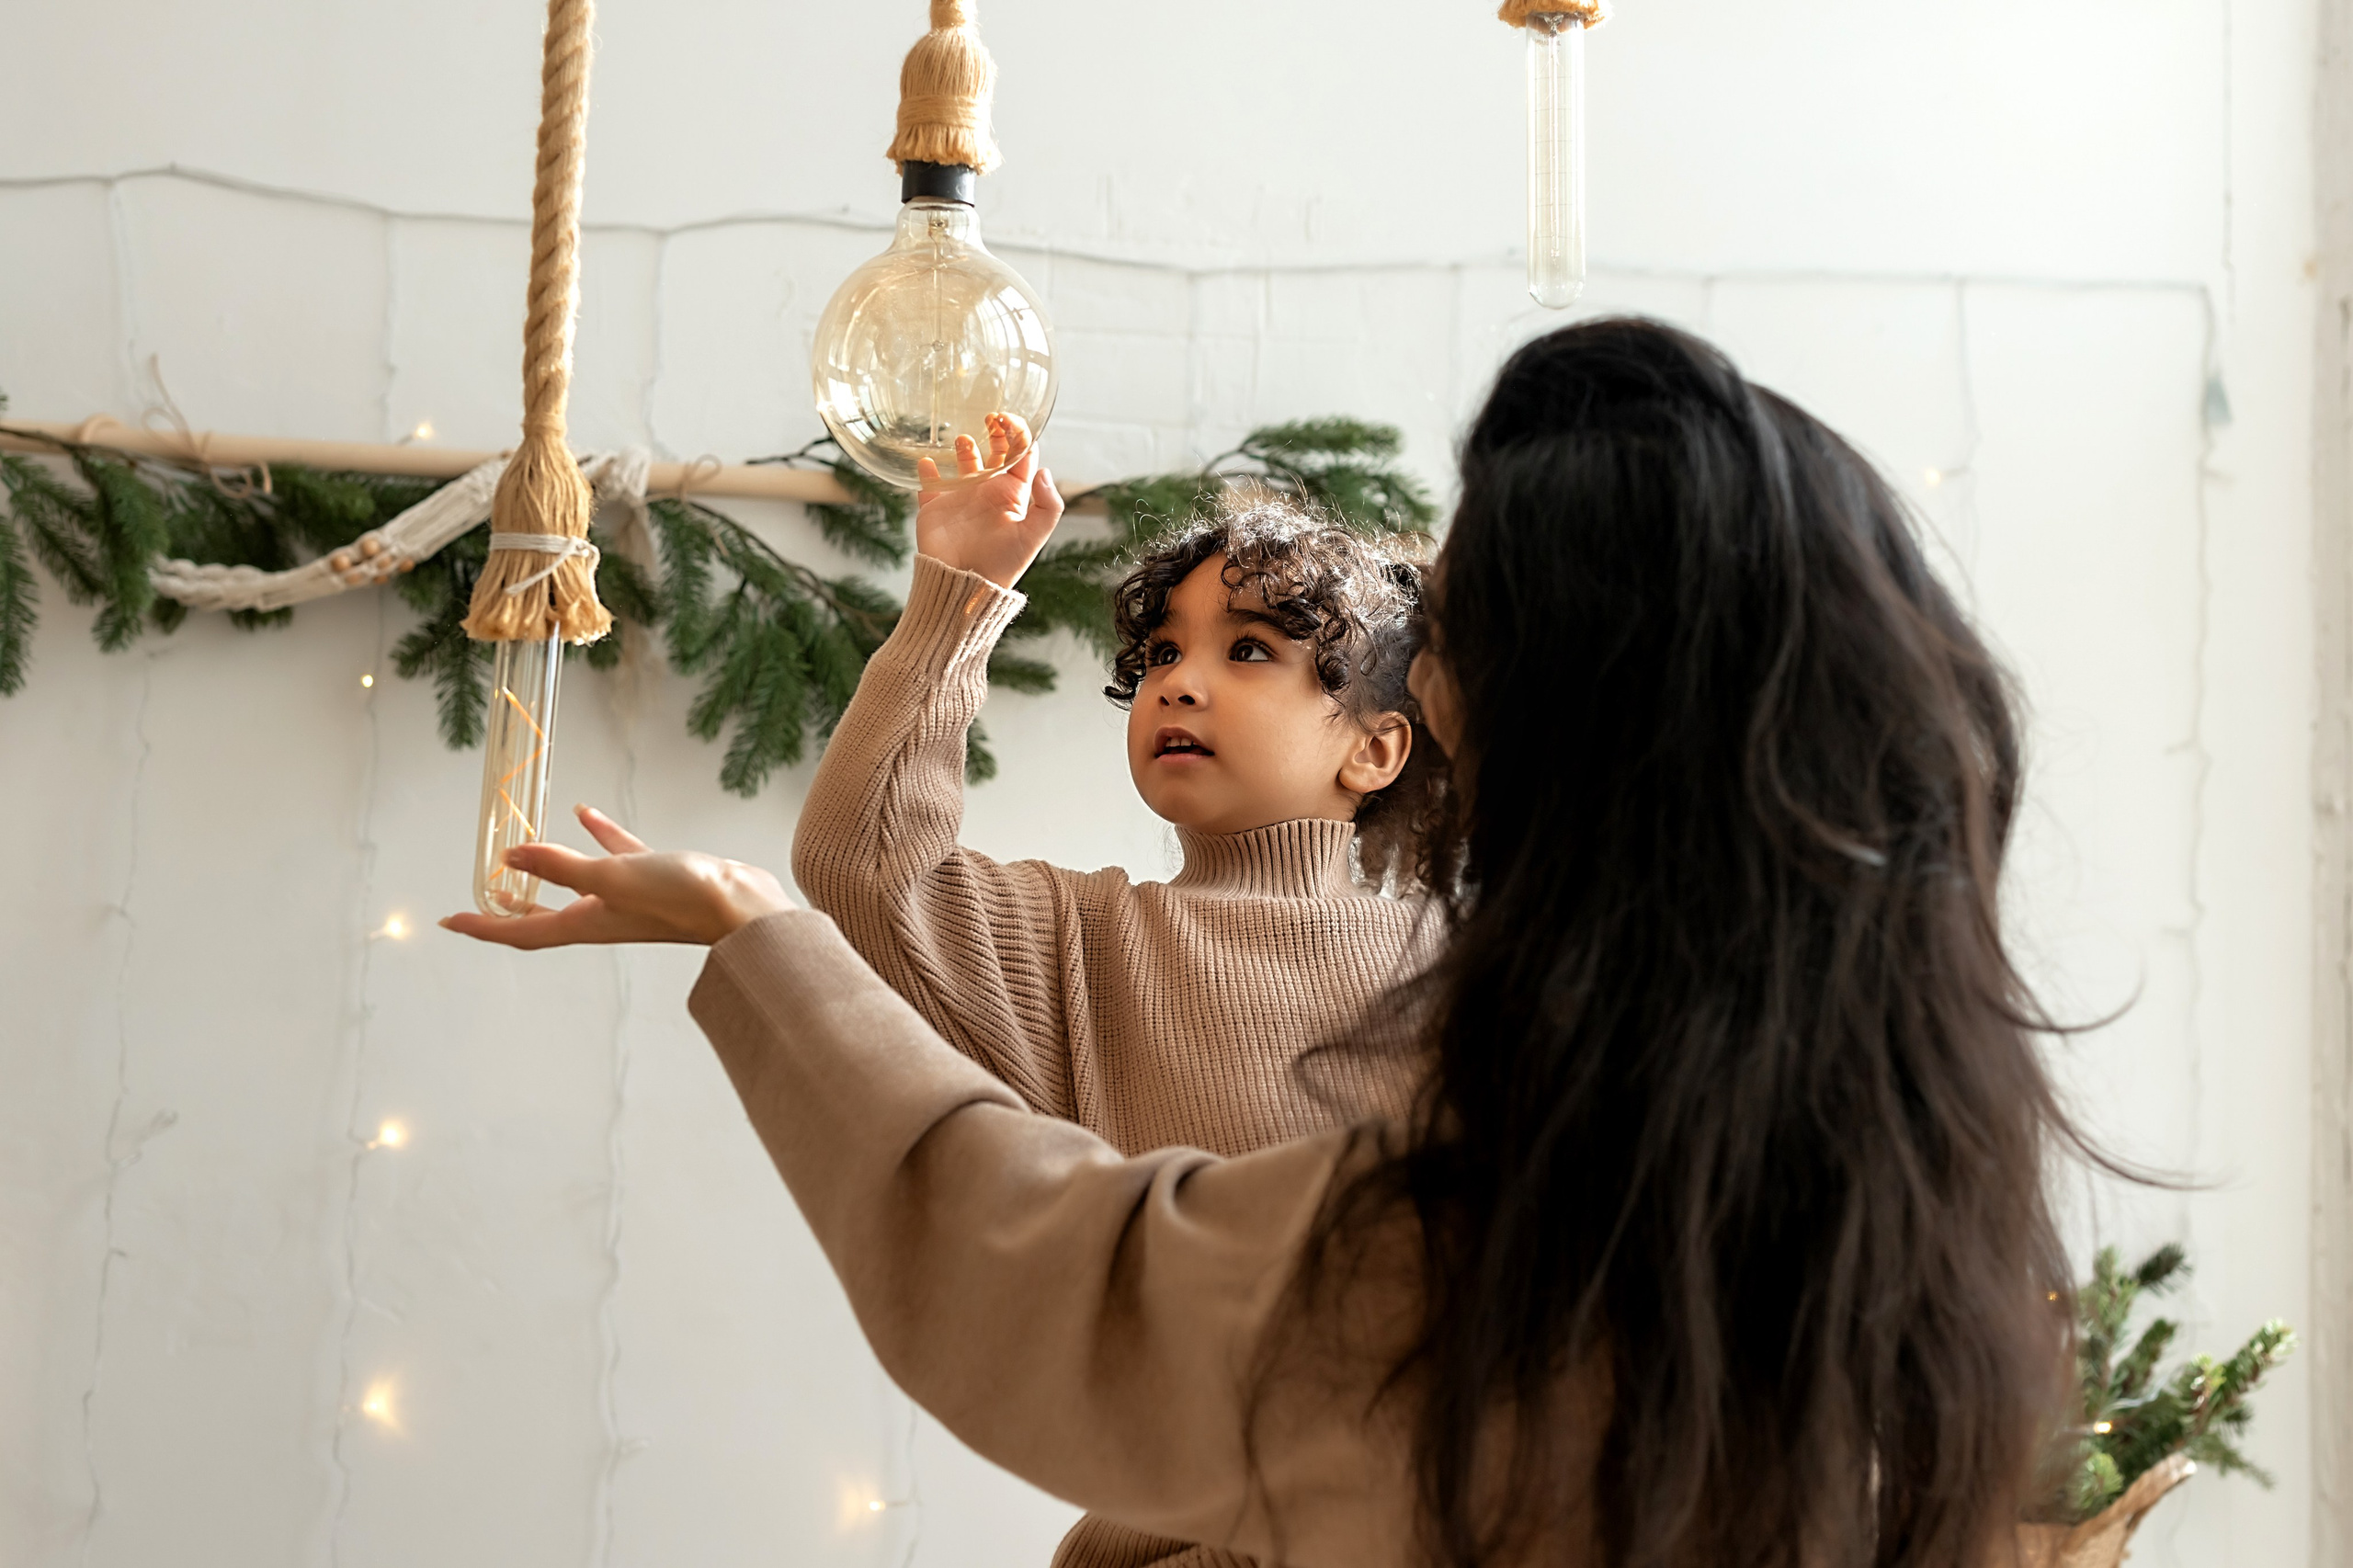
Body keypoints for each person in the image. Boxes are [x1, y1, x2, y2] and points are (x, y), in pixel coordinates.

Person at [449, 318, 2079, 1568]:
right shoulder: (1835, 1153)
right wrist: (949, 605)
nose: (1182, 680)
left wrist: (752, 935)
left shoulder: (1528, 1119)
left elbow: (1074, 1272)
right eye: (1160, 649)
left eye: (1443, 636)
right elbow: (887, 891)